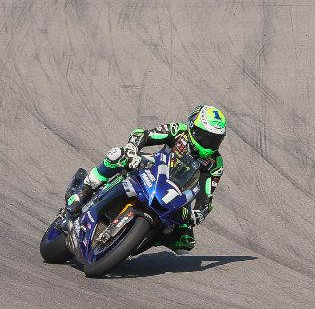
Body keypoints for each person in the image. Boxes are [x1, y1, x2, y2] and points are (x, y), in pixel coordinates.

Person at [63, 105, 227, 252]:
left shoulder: (215, 163)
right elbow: (144, 135)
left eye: (216, 140)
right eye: (206, 137)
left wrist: (198, 213)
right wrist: (132, 149)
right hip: (155, 166)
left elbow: (206, 194)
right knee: (117, 155)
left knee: (184, 242)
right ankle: (84, 191)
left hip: (176, 193)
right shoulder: (179, 131)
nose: (210, 144)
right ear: (193, 129)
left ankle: (140, 240)